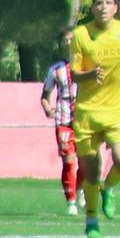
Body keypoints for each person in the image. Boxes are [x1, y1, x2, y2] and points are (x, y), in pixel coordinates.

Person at [69, 0, 120, 238]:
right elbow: (74, 74)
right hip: (87, 114)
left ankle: (108, 188)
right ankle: (91, 220)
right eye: (98, 3)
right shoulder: (81, 34)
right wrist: (89, 74)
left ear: (116, 8)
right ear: (92, 8)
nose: (103, 7)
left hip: (116, 112)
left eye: (108, 3)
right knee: (91, 170)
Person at [39, 49, 81, 215]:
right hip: (63, 122)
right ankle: (71, 202)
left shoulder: (88, 65)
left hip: (84, 122)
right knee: (69, 161)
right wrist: (48, 109)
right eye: (66, 41)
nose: (70, 44)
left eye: (73, 40)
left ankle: (81, 189)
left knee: (85, 163)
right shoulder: (55, 69)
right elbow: (44, 95)